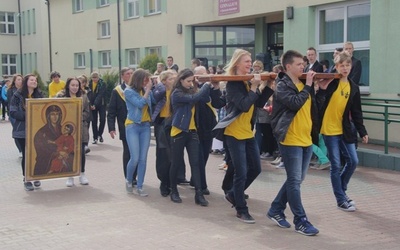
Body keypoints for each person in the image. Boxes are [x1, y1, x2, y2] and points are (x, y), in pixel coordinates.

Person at [213, 49, 274, 223]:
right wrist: (255, 87)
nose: (250, 64)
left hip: (248, 132)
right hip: (233, 132)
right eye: (246, 61)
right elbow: (244, 105)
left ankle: (233, 194)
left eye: (250, 61)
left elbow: (258, 103)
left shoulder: (247, 81)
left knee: (255, 168)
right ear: (237, 63)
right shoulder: (233, 84)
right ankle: (241, 209)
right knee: (241, 171)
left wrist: (268, 87)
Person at [266, 50, 320, 236]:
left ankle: (275, 209)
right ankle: (301, 221)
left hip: (306, 138)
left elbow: (312, 106)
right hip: (290, 139)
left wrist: (320, 87)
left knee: (296, 180)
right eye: (298, 64)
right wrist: (309, 86)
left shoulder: (304, 83)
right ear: (288, 66)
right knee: (295, 181)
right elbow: (295, 103)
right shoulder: (282, 85)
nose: (302, 66)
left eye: (303, 63)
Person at [316, 51, 368, 211]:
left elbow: (357, 111)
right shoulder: (331, 83)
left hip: (345, 130)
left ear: (351, 67)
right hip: (329, 130)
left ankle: (341, 190)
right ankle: (340, 199)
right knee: (336, 165)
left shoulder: (353, 87)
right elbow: (319, 102)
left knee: (353, 161)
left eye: (347, 65)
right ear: (336, 67)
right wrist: (322, 90)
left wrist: (362, 131)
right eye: (341, 65)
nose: (345, 68)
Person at [169, 68, 211, 206]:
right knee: (176, 162)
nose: (190, 83)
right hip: (179, 131)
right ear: (180, 80)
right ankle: (173, 191)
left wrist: (208, 86)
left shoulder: (192, 89)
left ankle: (199, 194)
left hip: (192, 131)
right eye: (188, 81)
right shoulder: (176, 93)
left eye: (192, 80)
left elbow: (204, 98)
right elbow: (194, 98)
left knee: (195, 163)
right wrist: (205, 85)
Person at [193, 65, 225, 195]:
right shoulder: (192, 88)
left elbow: (218, 104)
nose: (204, 77)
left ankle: (194, 179)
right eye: (200, 75)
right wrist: (207, 85)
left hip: (208, 127)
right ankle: (201, 185)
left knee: (205, 156)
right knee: (199, 158)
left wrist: (216, 87)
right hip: (195, 127)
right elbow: (200, 98)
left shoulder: (210, 87)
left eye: (205, 73)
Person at [124, 69, 155, 197]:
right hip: (132, 126)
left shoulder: (147, 91)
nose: (147, 82)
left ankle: (140, 186)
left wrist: (154, 88)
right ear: (139, 79)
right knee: (135, 157)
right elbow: (140, 104)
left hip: (145, 126)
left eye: (148, 80)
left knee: (143, 158)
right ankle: (129, 180)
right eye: (145, 79)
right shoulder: (128, 91)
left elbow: (153, 102)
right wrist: (148, 90)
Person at [9, 74, 43, 191]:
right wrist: (28, 114)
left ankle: (36, 175)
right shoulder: (17, 95)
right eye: (32, 80)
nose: (34, 82)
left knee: (37, 153)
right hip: (22, 130)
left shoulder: (39, 95)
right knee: (27, 155)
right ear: (26, 82)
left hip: (37, 130)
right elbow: (13, 112)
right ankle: (27, 178)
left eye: (35, 80)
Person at [56, 77, 91, 187]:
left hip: (80, 128)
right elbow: (56, 109)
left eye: (77, 85)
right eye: (73, 85)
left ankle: (82, 173)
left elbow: (87, 112)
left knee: (81, 152)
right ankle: (70, 176)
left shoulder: (84, 96)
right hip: (66, 130)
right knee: (69, 152)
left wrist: (78, 116)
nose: (75, 87)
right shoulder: (61, 96)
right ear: (68, 85)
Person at [107, 67, 137, 184]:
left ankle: (135, 175)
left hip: (139, 125)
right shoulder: (118, 91)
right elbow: (111, 111)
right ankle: (129, 177)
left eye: (132, 73)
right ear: (123, 76)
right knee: (129, 152)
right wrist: (111, 128)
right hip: (125, 126)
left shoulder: (139, 89)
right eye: (128, 74)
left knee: (138, 153)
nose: (130, 75)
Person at [152, 70, 176, 196]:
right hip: (162, 123)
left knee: (173, 155)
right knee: (163, 154)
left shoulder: (177, 91)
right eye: (171, 78)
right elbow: (155, 95)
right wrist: (161, 84)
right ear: (165, 80)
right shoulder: (159, 90)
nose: (173, 81)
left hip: (174, 123)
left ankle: (172, 182)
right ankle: (163, 182)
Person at [33, 104, 63, 176]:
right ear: (48, 116)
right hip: (46, 162)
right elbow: (40, 148)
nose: (55, 117)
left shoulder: (63, 130)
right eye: (52, 114)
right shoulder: (42, 132)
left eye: (57, 114)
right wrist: (56, 152)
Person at [7, 74, 24, 157]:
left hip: (22, 114)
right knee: (17, 131)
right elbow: (10, 102)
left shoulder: (24, 90)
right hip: (14, 113)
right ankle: (20, 149)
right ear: (15, 81)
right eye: (18, 79)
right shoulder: (10, 90)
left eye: (21, 79)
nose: (20, 81)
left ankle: (23, 148)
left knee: (22, 131)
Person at [88, 72, 107, 144]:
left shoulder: (102, 84)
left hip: (101, 104)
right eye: (93, 77)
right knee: (94, 121)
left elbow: (100, 95)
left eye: (96, 77)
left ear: (98, 77)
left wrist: (95, 104)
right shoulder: (89, 84)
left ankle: (100, 134)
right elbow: (88, 95)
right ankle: (95, 137)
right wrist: (91, 105)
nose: (95, 79)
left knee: (102, 119)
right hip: (92, 105)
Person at [77, 75, 92, 154]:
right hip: (71, 119)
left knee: (85, 129)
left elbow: (87, 109)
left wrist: (81, 116)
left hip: (83, 118)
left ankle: (85, 145)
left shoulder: (85, 93)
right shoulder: (64, 94)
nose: (77, 86)